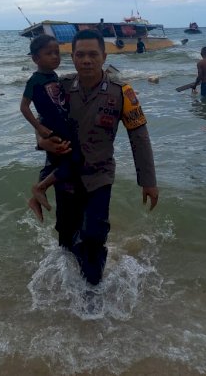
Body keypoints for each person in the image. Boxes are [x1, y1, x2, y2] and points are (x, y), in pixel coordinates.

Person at [37, 29, 158, 286]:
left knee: (94, 235)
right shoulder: (61, 88)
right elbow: (41, 122)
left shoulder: (122, 93)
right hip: (65, 175)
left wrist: (148, 181)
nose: (87, 60)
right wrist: (42, 141)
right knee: (66, 235)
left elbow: (139, 137)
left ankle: (93, 292)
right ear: (73, 58)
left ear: (104, 56)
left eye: (93, 54)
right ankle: (68, 284)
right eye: (80, 54)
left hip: (99, 176)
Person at [20, 35, 83, 222]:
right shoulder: (35, 80)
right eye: (49, 53)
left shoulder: (53, 76)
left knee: (54, 163)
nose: (55, 56)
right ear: (36, 59)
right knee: (75, 158)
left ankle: (35, 199)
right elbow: (24, 107)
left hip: (61, 124)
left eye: (57, 52)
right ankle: (39, 189)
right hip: (51, 127)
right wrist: (39, 129)